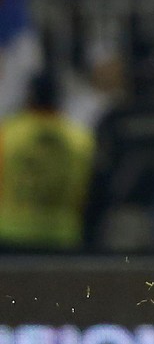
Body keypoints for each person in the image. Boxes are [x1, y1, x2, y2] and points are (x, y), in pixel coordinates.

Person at [0, 73, 94, 251]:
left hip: (10, 234)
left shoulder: (7, 133)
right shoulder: (80, 138)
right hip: (62, 236)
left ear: (29, 96)